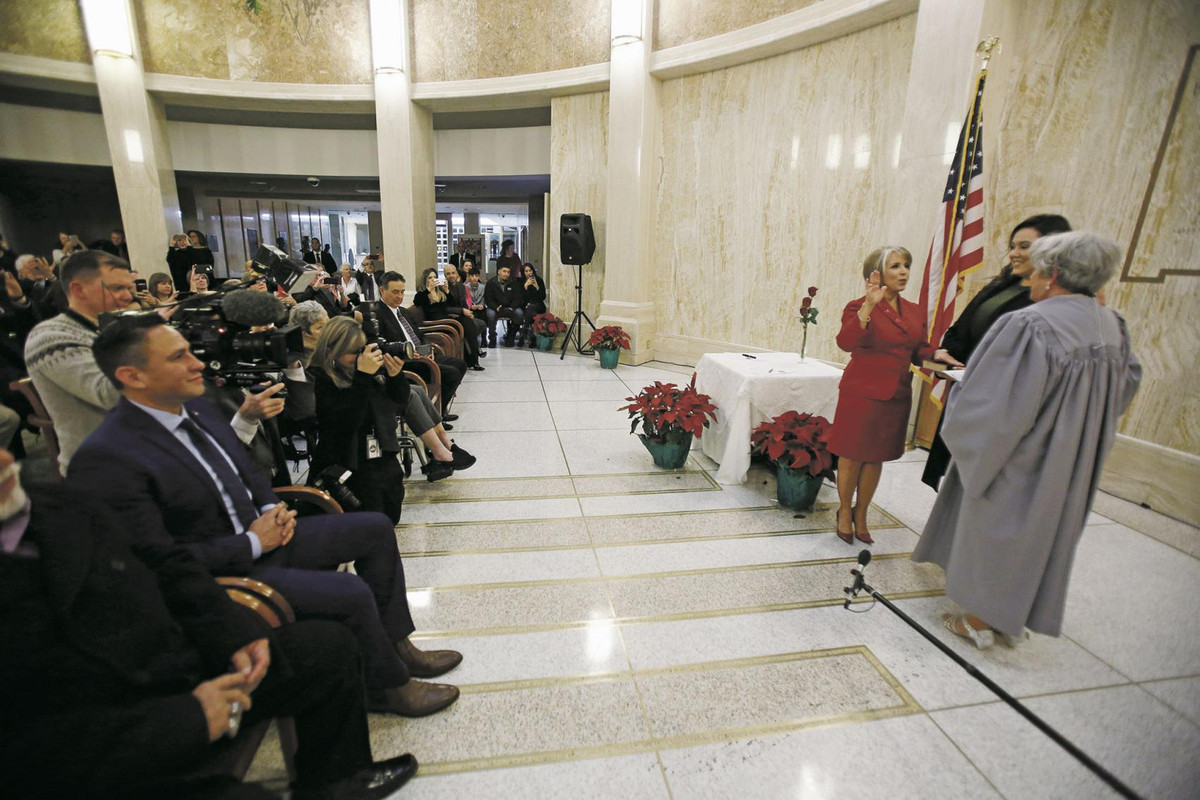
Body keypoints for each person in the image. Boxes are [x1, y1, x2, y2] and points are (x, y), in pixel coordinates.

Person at [70, 314, 464, 716]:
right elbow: (155, 562)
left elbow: (243, 468)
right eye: (178, 358)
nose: (197, 364)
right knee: (350, 591)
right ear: (132, 376)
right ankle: (388, 687)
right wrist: (255, 540)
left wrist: (270, 507)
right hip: (227, 568)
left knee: (375, 529)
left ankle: (398, 646)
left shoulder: (197, 410)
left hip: (265, 536)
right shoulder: (109, 455)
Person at [0, 448, 419, 799]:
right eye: (177, 357)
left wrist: (235, 632)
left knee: (324, 647)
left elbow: (168, 563)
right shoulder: (105, 457)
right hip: (102, 734)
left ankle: (337, 780)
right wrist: (186, 719)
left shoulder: (57, 503)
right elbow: (27, 750)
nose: (5, 459)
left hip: (173, 656)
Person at [912, 232, 1141, 649]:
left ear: (1053, 275)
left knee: (1002, 526)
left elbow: (992, 404)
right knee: (1042, 533)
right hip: (1074, 456)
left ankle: (980, 622)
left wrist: (962, 397)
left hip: (1024, 453)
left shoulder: (1031, 324)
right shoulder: (1112, 324)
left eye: (1034, 271)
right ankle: (1010, 613)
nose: (1029, 280)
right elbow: (1125, 388)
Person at [920, 214, 1073, 490]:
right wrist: (946, 352)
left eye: (1024, 246)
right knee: (955, 480)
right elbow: (964, 326)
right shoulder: (1002, 284)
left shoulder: (1051, 301)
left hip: (1000, 409)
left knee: (982, 485)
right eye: (1013, 246)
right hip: (969, 394)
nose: (1014, 253)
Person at [828, 246, 955, 545]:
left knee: (875, 459)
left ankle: (862, 513)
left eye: (907, 265)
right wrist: (868, 308)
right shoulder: (857, 305)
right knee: (852, 456)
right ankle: (844, 511)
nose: (904, 272)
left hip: (896, 395)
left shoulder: (913, 310)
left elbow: (916, 350)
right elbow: (845, 342)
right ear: (877, 273)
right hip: (862, 395)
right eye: (896, 266)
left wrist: (936, 352)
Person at [24, 250, 137, 471]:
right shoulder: (51, 337)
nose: (128, 297)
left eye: (128, 288)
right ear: (78, 289)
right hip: (99, 468)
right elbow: (111, 395)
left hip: (134, 457)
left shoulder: (107, 327)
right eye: (116, 288)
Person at [362, 271, 466, 414]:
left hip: (421, 354)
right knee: (451, 373)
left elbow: (417, 334)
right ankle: (434, 415)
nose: (400, 296)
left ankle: (438, 411)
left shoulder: (403, 312)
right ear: (382, 290)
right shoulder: (376, 315)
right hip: (405, 362)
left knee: (460, 364)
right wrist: (410, 352)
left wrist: (426, 350)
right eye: (395, 292)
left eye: (402, 292)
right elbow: (381, 346)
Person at [415, 267, 482, 370]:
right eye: (430, 278)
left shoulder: (439, 292)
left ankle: (473, 357)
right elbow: (417, 301)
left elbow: (448, 305)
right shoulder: (422, 294)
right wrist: (428, 290)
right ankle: (475, 354)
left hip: (446, 320)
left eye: (435, 277)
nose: (433, 280)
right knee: (464, 323)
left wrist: (446, 291)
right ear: (425, 279)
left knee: (467, 322)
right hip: (435, 323)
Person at [445, 262, 487, 359]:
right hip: (451, 317)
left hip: (461, 314)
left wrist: (468, 312)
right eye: (448, 274)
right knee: (470, 324)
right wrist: (462, 311)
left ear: (457, 274)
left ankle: (471, 354)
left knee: (481, 323)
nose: (451, 276)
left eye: (453, 273)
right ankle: (474, 354)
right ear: (445, 276)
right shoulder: (444, 288)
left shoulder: (461, 286)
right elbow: (445, 308)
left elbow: (464, 303)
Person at [483, 264, 525, 347]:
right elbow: (488, 299)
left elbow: (518, 298)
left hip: (510, 307)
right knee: (490, 314)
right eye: (504, 271)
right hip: (496, 308)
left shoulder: (513, 282)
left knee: (519, 313)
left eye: (508, 272)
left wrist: (512, 307)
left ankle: (511, 336)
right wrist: (496, 307)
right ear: (499, 272)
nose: (506, 274)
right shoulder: (491, 283)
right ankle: (492, 337)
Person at [519, 263, 547, 348]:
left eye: (530, 270)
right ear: (523, 272)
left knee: (531, 308)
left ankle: (524, 333)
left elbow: (542, 297)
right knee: (531, 312)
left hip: (538, 305)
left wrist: (537, 287)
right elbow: (521, 299)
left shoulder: (539, 280)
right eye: (526, 271)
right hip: (526, 306)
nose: (529, 273)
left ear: (533, 271)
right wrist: (525, 286)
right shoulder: (520, 282)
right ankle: (533, 339)